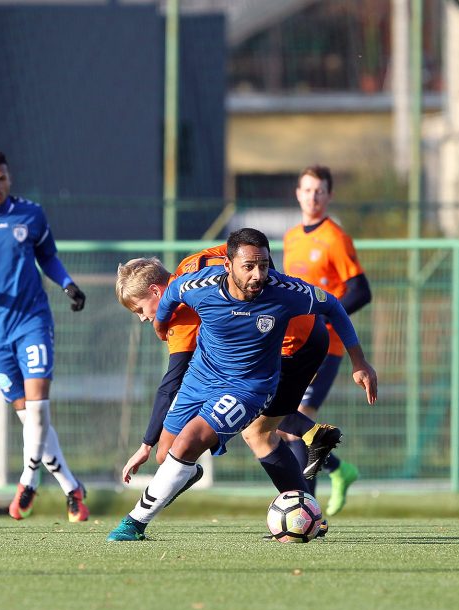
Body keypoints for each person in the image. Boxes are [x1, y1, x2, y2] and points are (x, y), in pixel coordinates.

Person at [107, 228, 377, 541]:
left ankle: (134, 523)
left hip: (257, 378)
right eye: (249, 266)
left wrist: (360, 362)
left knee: (225, 436)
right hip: (203, 374)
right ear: (228, 265)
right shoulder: (196, 285)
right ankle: (304, 456)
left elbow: (332, 305)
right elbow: (172, 295)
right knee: (168, 451)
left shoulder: (284, 291)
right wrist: (160, 322)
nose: (259, 274)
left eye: (264, 265)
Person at [114, 245, 344, 490]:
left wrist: (146, 444)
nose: (141, 317)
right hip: (304, 330)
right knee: (253, 425)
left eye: (139, 309)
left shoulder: (184, 318)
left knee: (257, 431)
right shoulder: (192, 264)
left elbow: (171, 384)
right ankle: (312, 448)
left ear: (156, 291)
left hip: (295, 344)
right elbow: (247, 244)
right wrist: (267, 284)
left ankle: (306, 501)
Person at [0, 148, 89, 522]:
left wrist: (68, 284)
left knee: (39, 406)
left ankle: (28, 480)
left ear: (9, 179)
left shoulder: (31, 213)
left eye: (1, 179)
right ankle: (72, 488)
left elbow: (49, 257)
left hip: (33, 321)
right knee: (30, 420)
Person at [283, 164, 372, 515]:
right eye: (307, 190)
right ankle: (337, 471)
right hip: (295, 344)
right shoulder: (291, 237)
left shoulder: (335, 238)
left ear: (329, 196)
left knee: (299, 419)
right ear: (298, 193)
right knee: (285, 427)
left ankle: (306, 512)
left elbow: (361, 291)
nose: (313, 197)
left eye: (320, 191)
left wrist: (323, 314)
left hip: (326, 345)